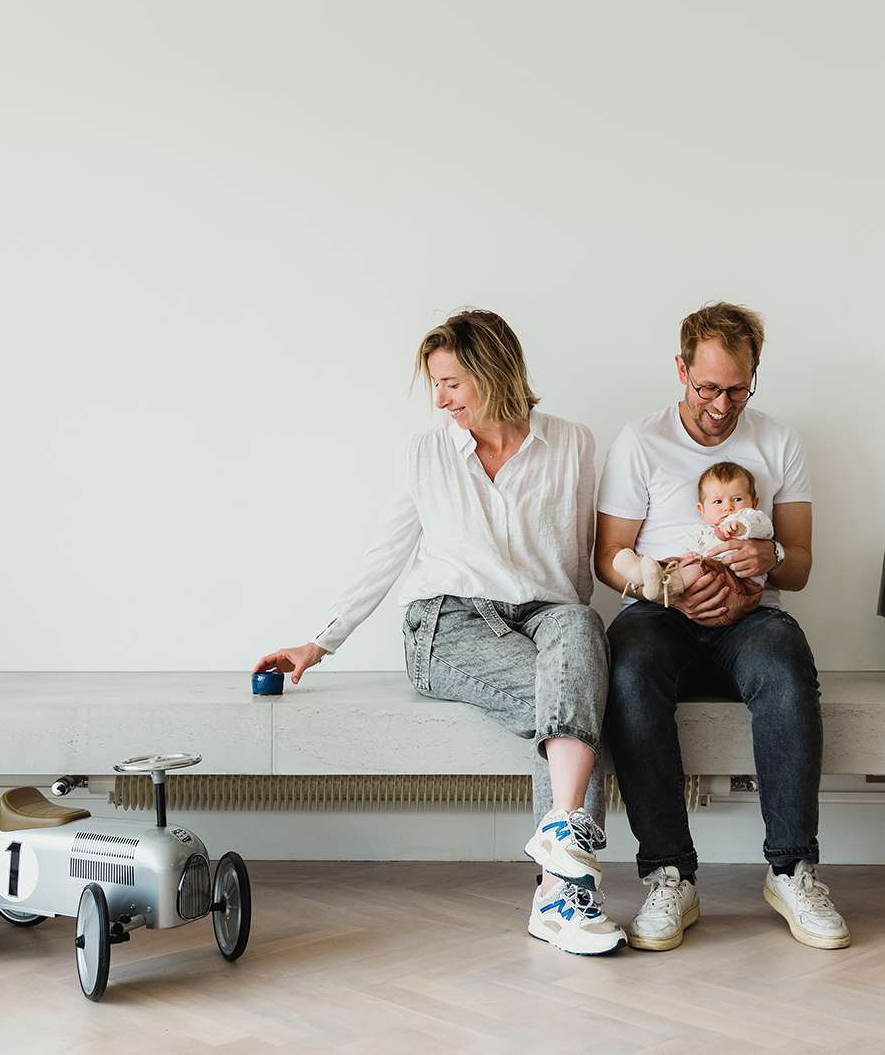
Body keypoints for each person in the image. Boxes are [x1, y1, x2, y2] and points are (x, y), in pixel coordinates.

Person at [254, 309, 626, 956]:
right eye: (436, 384)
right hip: (447, 624)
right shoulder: (424, 452)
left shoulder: (573, 443)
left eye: (452, 382)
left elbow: (578, 565)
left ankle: (557, 876)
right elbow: (387, 553)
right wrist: (322, 640)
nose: (441, 398)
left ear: (492, 372)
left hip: (545, 617)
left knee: (579, 627)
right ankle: (564, 889)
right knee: (574, 702)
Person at [595, 302, 849, 952]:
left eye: (737, 388)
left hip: (752, 615)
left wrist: (770, 560)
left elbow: (801, 564)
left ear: (755, 375)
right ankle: (668, 875)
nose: (721, 403)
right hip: (662, 611)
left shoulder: (778, 440)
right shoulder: (640, 441)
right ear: (681, 370)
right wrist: (666, 587)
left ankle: (792, 869)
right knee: (626, 663)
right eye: (707, 386)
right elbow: (607, 557)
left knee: (787, 659)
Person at [611, 461, 775, 606]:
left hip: (740, 588)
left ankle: (663, 588)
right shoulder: (702, 532)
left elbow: (764, 528)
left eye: (737, 499)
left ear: (754, 503)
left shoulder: (753, 519)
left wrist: (741, 526)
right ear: (702, 510)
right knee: (675, 562)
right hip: (701, 589)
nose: (728, 507)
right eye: (718, 501)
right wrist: (687, 558)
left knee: (699, 568)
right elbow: (691, 550)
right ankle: (638, 574)